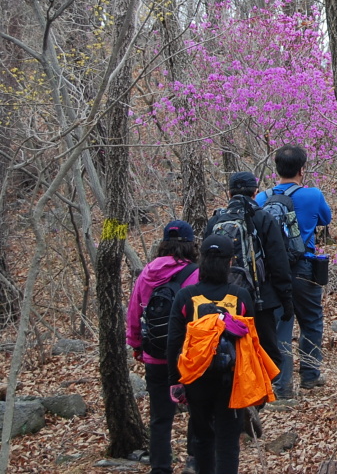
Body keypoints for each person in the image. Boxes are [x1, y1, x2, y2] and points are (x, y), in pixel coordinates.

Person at [166, 235, 257, 474]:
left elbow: (174, 342)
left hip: (196, 379)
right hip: (231, 379)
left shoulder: (186, 297)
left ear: (202, 261)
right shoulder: (240, 296)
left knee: (202, 437)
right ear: (229, 263)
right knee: (228, 441)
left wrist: (175, 381)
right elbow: (254, 343)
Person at [256, 144, 332, 396]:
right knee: (311, 320)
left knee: (280, 327)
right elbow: (325, 219)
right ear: (302, 169)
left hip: (273, 272)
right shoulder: (313, 195)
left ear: (276, 168)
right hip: (304, 268)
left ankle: (282, 386)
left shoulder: (261, 198)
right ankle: (310, 375)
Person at [126, 220, 201, 474]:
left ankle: (160, 467)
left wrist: (137, 345)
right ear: (190, 244)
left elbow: (134, 311)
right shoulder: (195, 273)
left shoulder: (147, 272)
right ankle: (193, 460)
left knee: (160, 416)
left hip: (155, 355)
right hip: (187, 356)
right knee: (198, 409)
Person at [204, 171, 294, 370]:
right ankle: (262, 396)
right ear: (255, 192)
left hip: (223, 299)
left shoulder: (215, 221)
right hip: (261, 299)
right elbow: (279, 262)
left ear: (229, 193)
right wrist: (286, 299)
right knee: (266, 353)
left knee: (229, 351)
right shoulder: (264, 218)